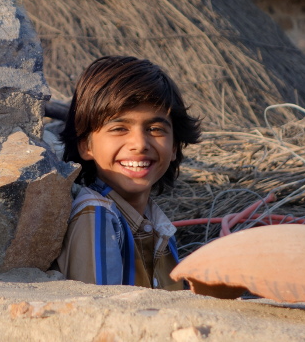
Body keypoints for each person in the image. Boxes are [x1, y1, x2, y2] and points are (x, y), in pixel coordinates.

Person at [55, 56, 201, 289]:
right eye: (119, 128)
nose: (139, 144)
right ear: (86, 145)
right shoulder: (97, 216)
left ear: (174, 147)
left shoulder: (157, 225)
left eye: (155, 129)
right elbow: (101, 316)